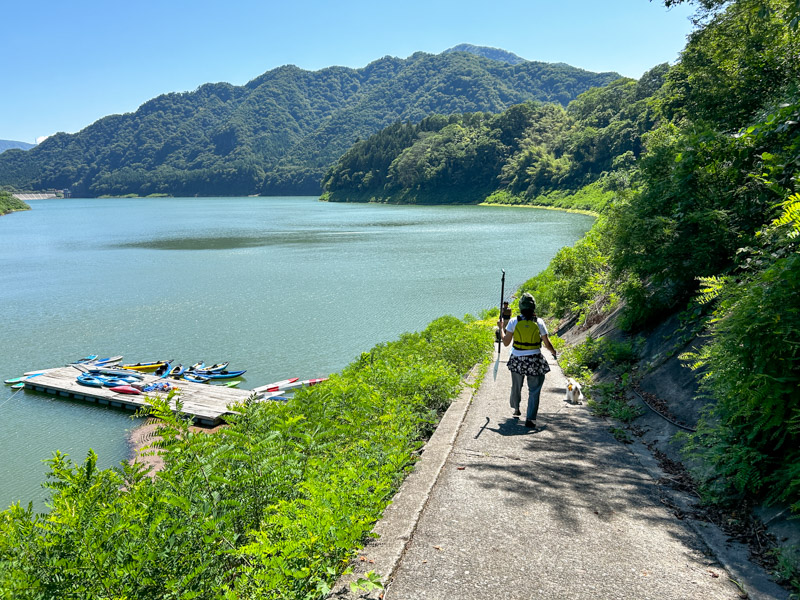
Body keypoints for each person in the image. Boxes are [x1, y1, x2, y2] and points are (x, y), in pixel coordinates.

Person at [498, 292, 558, 429]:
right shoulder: (539, 322)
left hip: (517, 360)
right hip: (535, 361)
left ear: (520, 307)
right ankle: (530, 418)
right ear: (533, 307)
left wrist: (501, 328)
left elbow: (506, 342)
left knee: (516, 386)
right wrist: (554, 352)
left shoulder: (514, 321)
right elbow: (547, 343)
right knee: (534, 390)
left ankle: (516, 408)